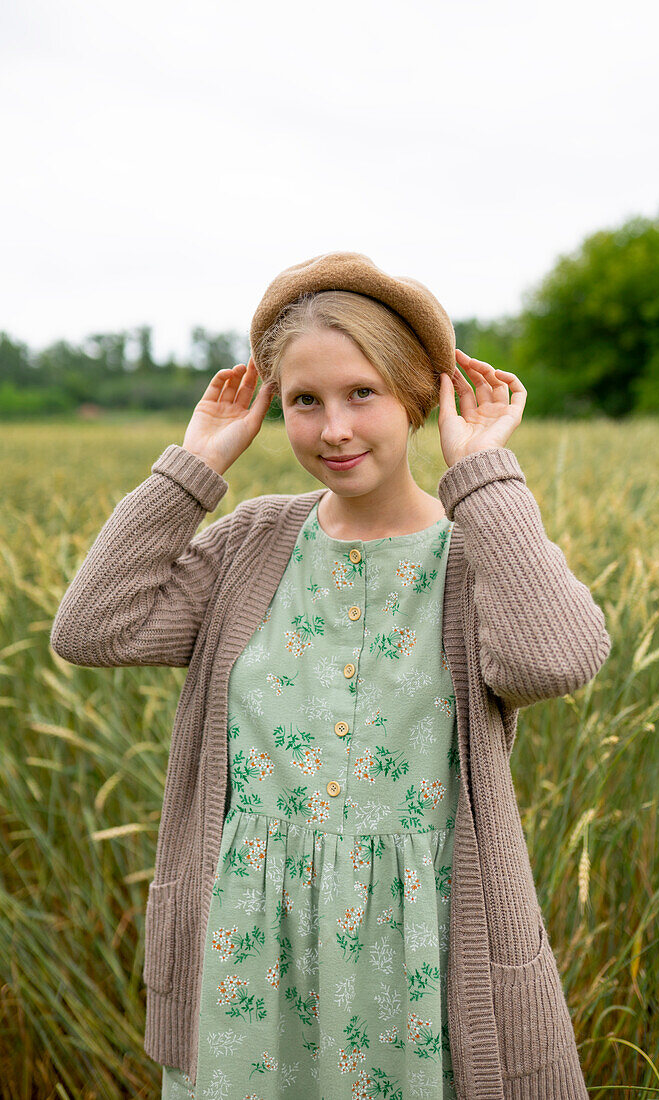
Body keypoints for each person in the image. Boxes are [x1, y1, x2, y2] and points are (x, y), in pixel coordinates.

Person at [50, 253, 611, 1099]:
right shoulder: (252, 543)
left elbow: (558, 656)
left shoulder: (475, 559)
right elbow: (93, 626)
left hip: (424, 956)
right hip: (248, 951)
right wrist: (193, 464)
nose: (333, 429)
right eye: (304, 401)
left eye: (362, 394)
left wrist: (482, 477)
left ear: (420, 397)